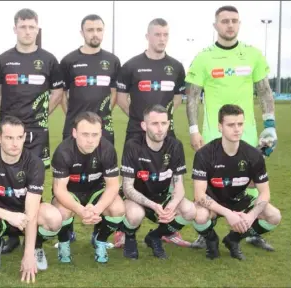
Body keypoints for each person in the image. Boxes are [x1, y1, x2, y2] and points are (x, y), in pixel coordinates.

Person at [185, 5, 277, 250]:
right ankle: (206, 233)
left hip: (245, 132)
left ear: (239, 24)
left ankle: (252, 231)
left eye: (234, 21)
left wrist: (270, 124)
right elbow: (192, 95)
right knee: (210, 187)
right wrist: (193, 128)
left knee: (251, 184)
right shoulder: (204, 57)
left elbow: (264, 90)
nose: (230, 25)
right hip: (213, 133)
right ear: (215, 26)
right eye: (224, 21)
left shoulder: (253, 54)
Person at [0, 8, 64, 254]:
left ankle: (36, 237)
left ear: (37, 29)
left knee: (35, 183)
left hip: (37, 132)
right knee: (8, 179)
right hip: (10, 133)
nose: (27, 31)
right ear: (15, 29)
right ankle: (12, 233)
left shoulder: (50, 60)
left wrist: (40, 115)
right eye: (23, 26)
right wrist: (9, 121)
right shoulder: (2, 60)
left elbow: (57, 93)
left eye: (32, 27)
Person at [115, 18, 189, 248]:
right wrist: (142, 120)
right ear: (147, 36)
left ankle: (166, 229)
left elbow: (177, 99)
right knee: (132, 180)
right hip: (137, 131)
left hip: (166, 134)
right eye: (157, 34)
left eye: (165, 34)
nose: (162, 39)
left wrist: (160, 122)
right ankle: (124, 226)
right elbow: (120, 98)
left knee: (166, 178)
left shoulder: (176, 67)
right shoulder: (131, 65)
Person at [0, 116, 62, 283]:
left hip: (26, 217)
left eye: (19, 137)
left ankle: (36, 246)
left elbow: (31, 212)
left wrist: (28, 255)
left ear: (25, 137)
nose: (15, 143)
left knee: (54, 218)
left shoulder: (35, 163)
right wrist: (9, 216)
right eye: (9, 138)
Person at [58, 14, 121, 246]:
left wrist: (98, 121)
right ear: (82, 32)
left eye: (99, 29)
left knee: (102, 179)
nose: (95, 33)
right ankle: (69, 228)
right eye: (90, 29)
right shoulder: (68, 61)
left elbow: (114, 94)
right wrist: (76, 120)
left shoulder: (113, 61)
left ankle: (99, 227)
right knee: (70, 179)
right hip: (74, 131)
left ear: (103, 32)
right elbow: (62, 95)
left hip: (104, 131)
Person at [191, 104, 281, 260]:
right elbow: (199, 195)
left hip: (239, 201)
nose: (237, 129)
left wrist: (251, 216)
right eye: (231, 125)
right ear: (220, 126)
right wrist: (228, 214)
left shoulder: (253, 155)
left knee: (274, 216)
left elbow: (265, 192)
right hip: (213, 201)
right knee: (199, 216)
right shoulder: (204, 154)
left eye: (240, 124)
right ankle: (211, 239)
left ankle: (233, 239)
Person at [120, 104, 196, 259]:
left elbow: (179, 185)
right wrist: (153, 206)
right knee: (135, 214)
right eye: (154, 124)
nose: (160, 128)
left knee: (190, 210)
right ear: (144, 125)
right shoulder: (132, 146)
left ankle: (155, 236)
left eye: (164, 123)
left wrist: (171, 206)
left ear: (169, 124)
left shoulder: (175, 146)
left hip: (161, 196)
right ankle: (130, 238)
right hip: (136, 198)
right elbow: (127, 188)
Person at [51, 111, 125, 263]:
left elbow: (112, 186)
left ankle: (100, 239)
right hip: (71, 193)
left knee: (118, 209)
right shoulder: (63, 151)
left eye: (95, 134)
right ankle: (64, 243)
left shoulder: (107, 149)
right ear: (74, 133)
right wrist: (81, 210)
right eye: (85, 134)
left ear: (101, 133)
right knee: (61, 211)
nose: (90, 140)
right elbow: (59, 190)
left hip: (96, 191)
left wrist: (96, 210)